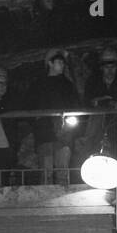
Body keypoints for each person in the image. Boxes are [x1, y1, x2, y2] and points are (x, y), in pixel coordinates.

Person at [32, 50, 82, 183]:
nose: (62, 65)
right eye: (59, 62)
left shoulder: (67, 85)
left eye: (63, 62)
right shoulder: (38, 85)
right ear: (50, 63)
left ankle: (62, 202)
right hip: (45, 135)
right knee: (46, 173)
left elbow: (75, 106)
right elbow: (30, 107)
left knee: (63, 173)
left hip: (64, 134)